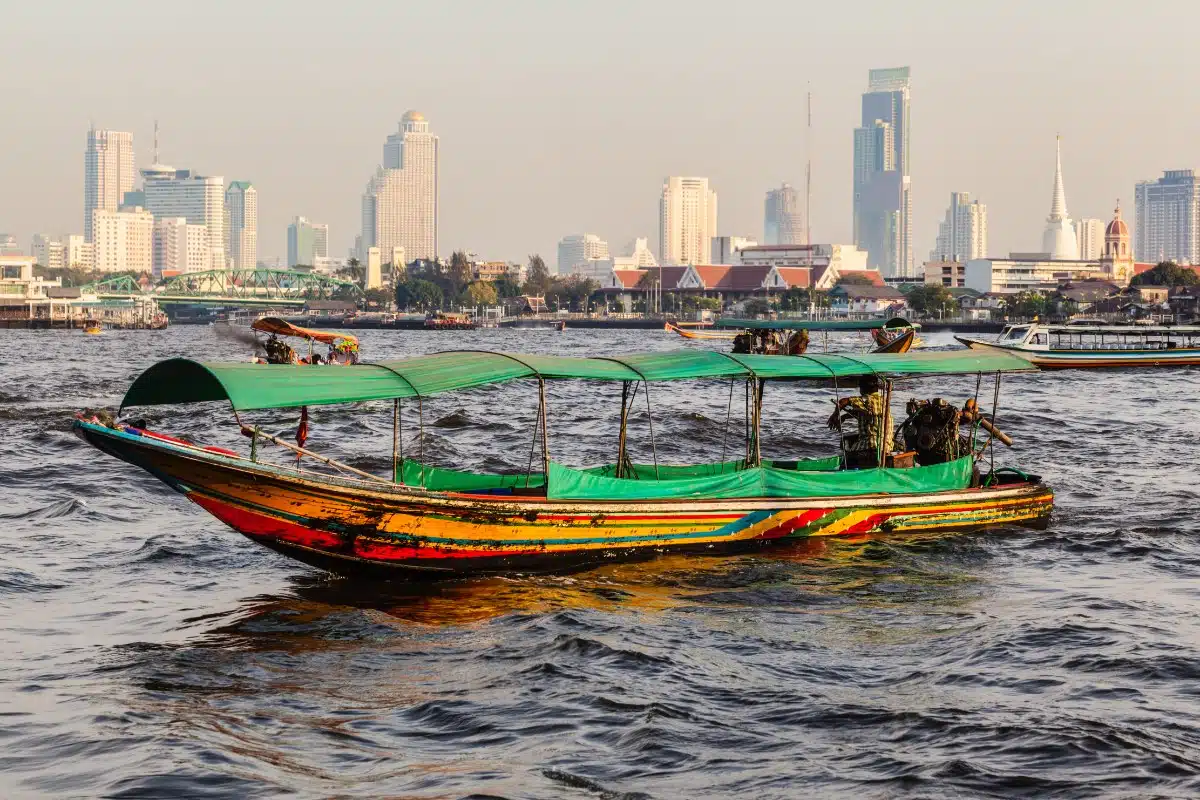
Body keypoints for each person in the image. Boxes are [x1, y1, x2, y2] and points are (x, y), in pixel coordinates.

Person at [827, 375, 894, 468]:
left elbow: (842, 402)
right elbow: (867, 413)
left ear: (864, 387)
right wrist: (844, 417)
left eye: (860, 386)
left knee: (845, 464)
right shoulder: (883, 401)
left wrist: (834, 416)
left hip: (870, 447)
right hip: (886, 448)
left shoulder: (868, 399)